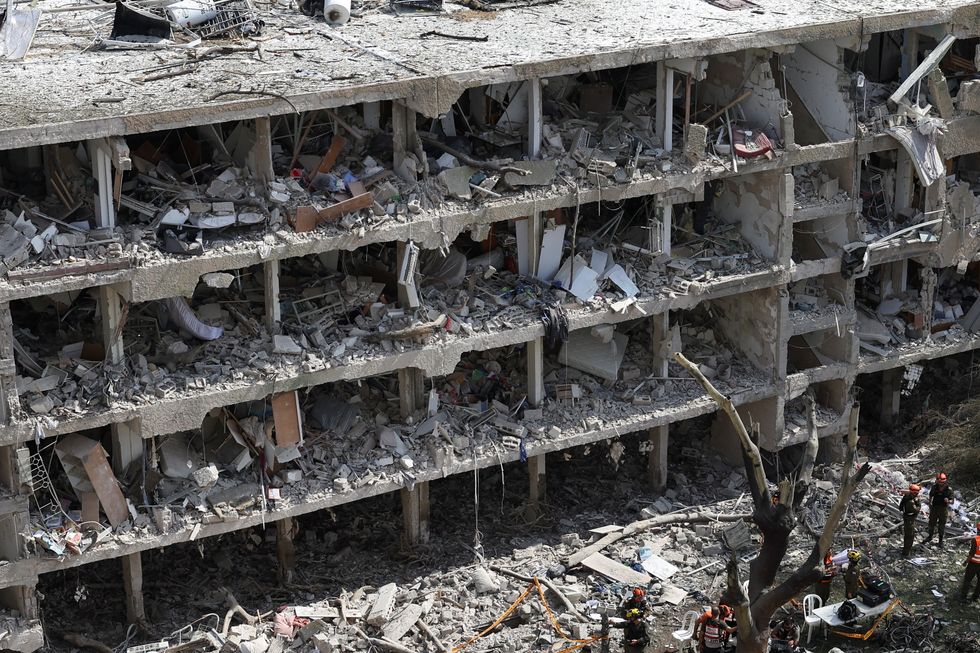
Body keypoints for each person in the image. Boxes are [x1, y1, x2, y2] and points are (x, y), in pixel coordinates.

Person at [924, 473, 954, 548]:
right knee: (931, 523)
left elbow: (952, 501)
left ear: (945, 481)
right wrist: (930, 503)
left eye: (941, 482)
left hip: (943, 509)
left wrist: (948, 501)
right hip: (934, 508)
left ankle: (940, 541)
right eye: (939, 481)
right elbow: (931, 495)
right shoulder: (934, 487)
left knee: (941, 525)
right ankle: (930, 536)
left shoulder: (948, 489)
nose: (940, 483)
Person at [899, 484, 922, 557]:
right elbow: (916, 510)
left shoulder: (906, 496)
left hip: (907, 517)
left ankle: (905, 550)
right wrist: (919, 503)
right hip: (909, 519)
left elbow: (900, 507)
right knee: (910, 536)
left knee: (907, 535)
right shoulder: (911, 502)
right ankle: (906, 553)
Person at [961, 523, 980, 603]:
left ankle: (963, 597)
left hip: (973, 563)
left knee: (967, 580)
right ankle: (975, 597)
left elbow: (971, 554)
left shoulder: (975, 540)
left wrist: (966, 562)